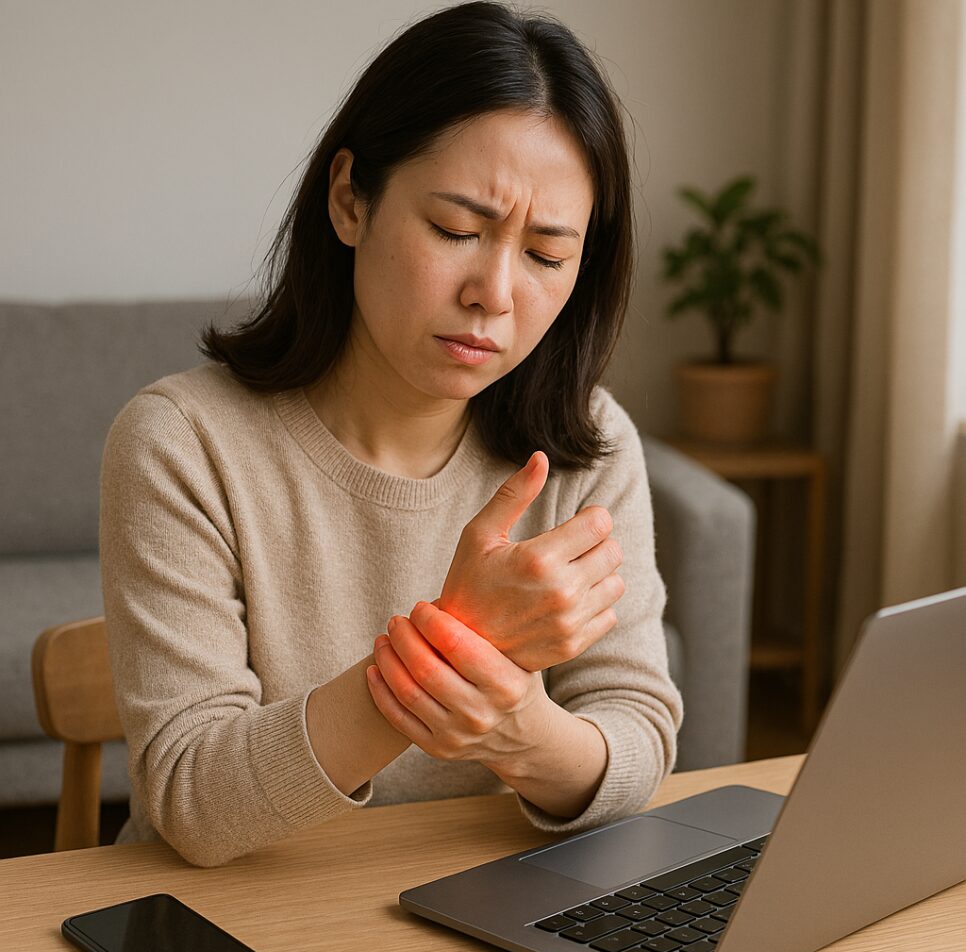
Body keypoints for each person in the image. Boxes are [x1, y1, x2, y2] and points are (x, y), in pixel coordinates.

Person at [99, 0, 683, 868]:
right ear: (349, 201)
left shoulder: (585, 445)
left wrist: (520, 732)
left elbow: (636, 737)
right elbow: (192, 800)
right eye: (457, 230)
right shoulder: (182, 443)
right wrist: (454, 645)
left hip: (469, 910)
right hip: (223, 918)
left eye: (547, 255)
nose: (495, 291)